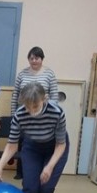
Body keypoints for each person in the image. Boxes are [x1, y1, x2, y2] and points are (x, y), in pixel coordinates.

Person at [0, 81, 68, 193]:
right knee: (30, 188)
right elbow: (12, 145)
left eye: (35, 106)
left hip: (55, 148)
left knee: (46, 187)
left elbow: (60, 145)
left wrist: (49, 166)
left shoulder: (56, 113)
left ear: (44, 99)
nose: (32, 111)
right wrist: (0, 167)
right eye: (27, 106)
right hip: (32, 147)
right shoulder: (20, 115)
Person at [10, 47, 59, 179]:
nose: (34, 61)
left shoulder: (49, 74)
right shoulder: (22, 74)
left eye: (36, 58)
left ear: (42, 59)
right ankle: (21, 172)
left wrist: (50, 112)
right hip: (24, 115)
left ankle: (38, 170)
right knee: (23, 143)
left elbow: (54, 96)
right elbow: (15, 95)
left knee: (37, 143)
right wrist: (13, 114)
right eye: (31, 58)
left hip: (43, 116)